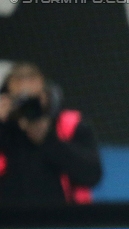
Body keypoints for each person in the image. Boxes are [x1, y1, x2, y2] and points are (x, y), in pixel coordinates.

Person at [0, 61, 102, 205]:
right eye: (21, 100)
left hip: (59, 222)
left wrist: (48, 140)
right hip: (8, 223)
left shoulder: (69, 125)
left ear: (45, 92)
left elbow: (92, 175)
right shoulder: (5, 128)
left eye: (32, 79)